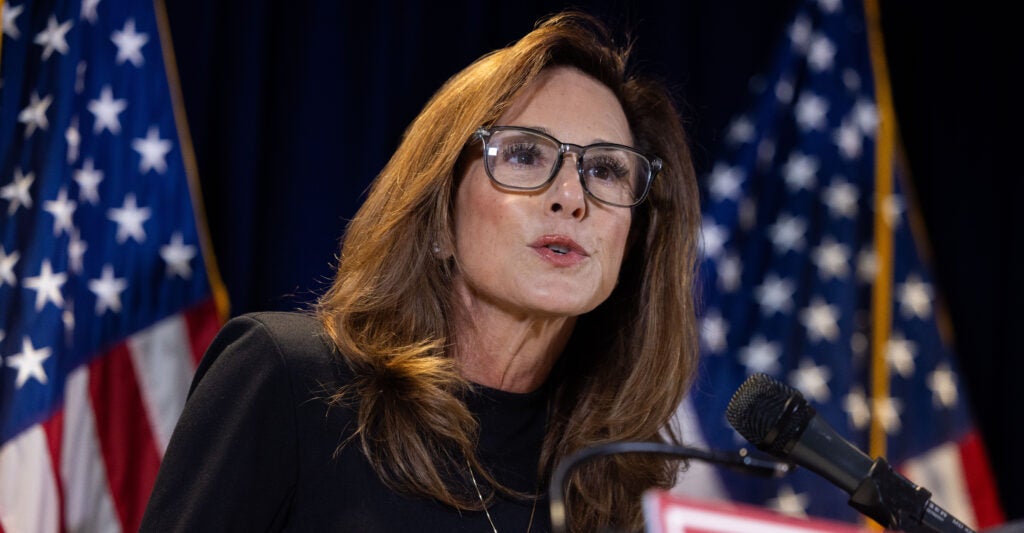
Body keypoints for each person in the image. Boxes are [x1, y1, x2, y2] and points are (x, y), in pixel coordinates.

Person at [141, 10, 701, 533]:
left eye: (605, 170)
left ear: (633, 241)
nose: (572, 198)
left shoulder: (622, 481)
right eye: (525, 155)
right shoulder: (288, 384)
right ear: (437, 218)